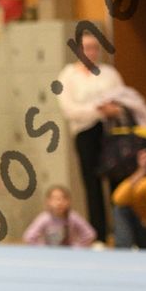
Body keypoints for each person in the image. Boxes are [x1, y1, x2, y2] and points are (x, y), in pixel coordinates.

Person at [54, 31, 125, 243]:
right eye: (86, 48)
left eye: (95, 48)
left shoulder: (109, 74)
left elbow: (122, 102)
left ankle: (122, 234)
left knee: (117, 184)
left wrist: (110, 111)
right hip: (85, 133)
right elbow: (70, 110)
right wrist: (98, 110)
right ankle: (99, 235)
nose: (91, 52)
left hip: (110, 133)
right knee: (92, 185)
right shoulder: (68, 75)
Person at [22, 184, 96, 247]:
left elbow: (90, 234)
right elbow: (28, 237)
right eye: (55, 199)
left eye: (63, 198)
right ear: (48, 201)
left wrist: (77, 247)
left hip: (69, 253)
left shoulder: (72, 217)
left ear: (68, 201)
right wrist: (43, 248)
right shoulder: (44, 218)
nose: (59, 203)